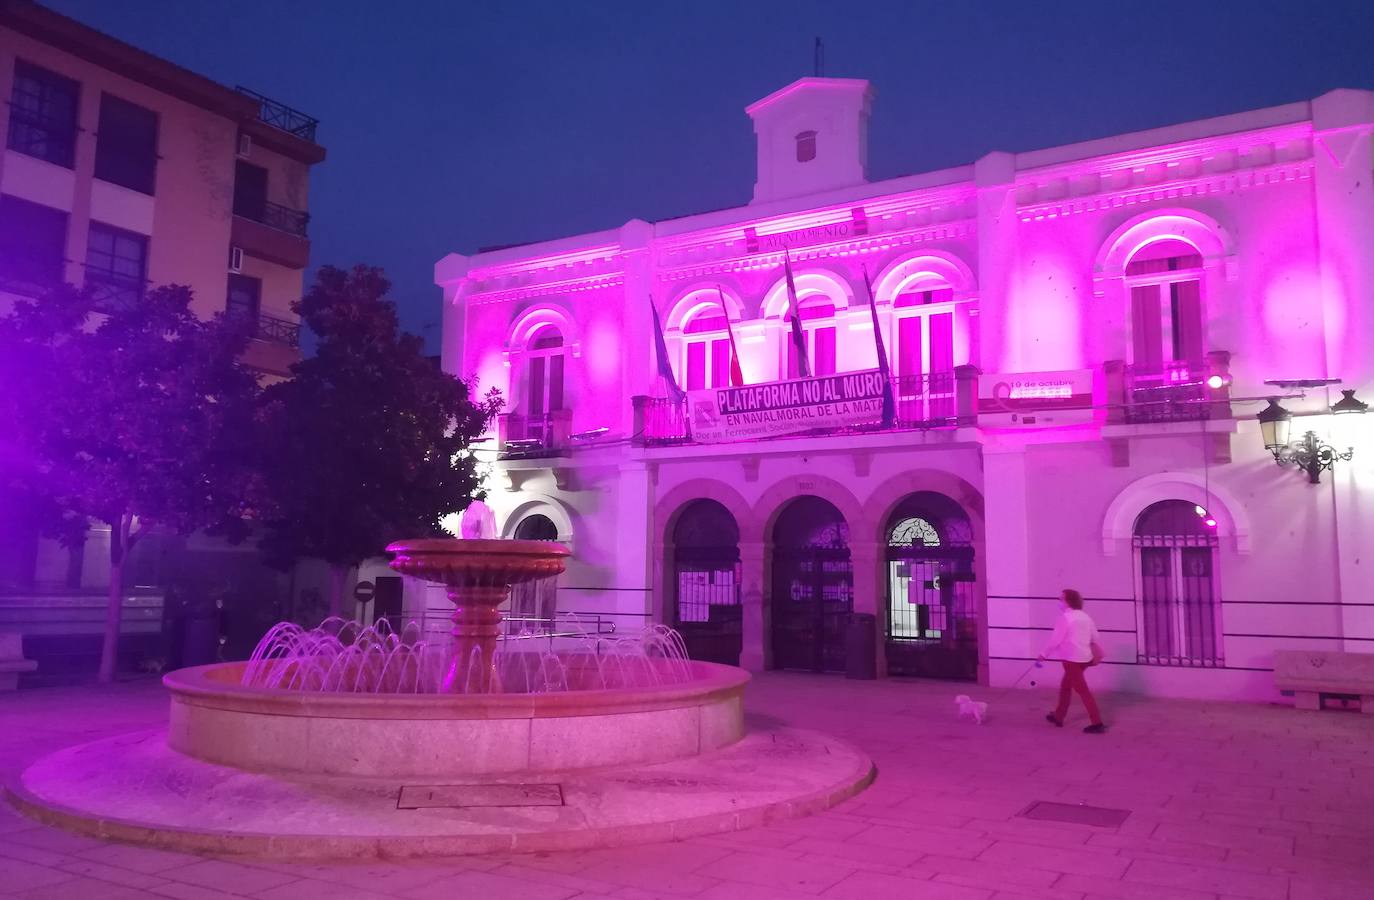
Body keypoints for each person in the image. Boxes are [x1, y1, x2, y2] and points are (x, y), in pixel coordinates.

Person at [1039, 588, 1106, 734]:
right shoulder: (1085, 617)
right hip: (1085, 658)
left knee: (1082, 690)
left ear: (1068, 601)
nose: (1059, 601)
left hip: (1071, 659)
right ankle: (1059, 716)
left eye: (1061, 599)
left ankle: (1097, 722)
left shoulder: (1065, 618)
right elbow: (1096, 637)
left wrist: (1043, 654)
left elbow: (1055, 640)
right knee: (1065, 686)